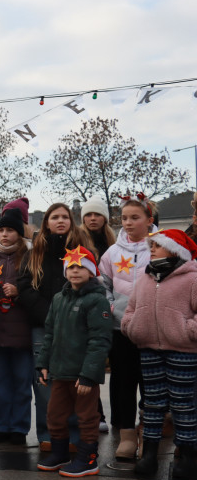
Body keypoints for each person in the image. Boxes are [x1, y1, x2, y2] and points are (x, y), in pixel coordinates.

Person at [18, 202, 95, 450]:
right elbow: (24, 286)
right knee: (44, 383)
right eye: (54, 217)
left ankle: (73, 436)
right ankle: (48, 435)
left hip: (76, 325)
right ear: (47, 222)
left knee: (72, 381)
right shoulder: (34, 253)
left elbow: (90, 283)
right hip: (42, 325)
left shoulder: (82, 251)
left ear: (71, 222)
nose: (60, 221)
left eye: (64, 217)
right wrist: (50, 314)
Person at [122, 229, 197, 480]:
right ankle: (149, 456)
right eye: (150, 244)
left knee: (183, 404)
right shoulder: (145, 278)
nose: (151, 248)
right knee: (152, 404)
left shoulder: (191, 278)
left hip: (183, 351)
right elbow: (130, 309)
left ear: (176, 249)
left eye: (157, 244)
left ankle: (188, 459)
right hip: (149, 349)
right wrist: (132, 327)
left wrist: (187, 330)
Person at [36, 246, 113, 477]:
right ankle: (60, 454)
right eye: (71, 267)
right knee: (55, 416)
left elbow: (100, 340)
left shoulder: (96, 301)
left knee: (87, 418)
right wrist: (43, 364)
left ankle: (88, 459)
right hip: (59, 373)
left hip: (83, 376)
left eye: (81, 266)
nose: (75, 271)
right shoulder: (59, 299)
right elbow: (48, 334)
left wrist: (89, 374)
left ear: (91, 272)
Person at [99, 195, 156, 461]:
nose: (129, 223)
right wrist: (113, 310)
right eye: (124, 218)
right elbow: (103, 288)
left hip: (153, 330)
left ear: (149, 220)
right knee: (123, 381)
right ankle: (126, 435)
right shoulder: (111, 253)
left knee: (151, 383)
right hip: (120, 329)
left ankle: (148, 433)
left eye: (135, 217)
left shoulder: (161, 248)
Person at [0, 208, 34, 446]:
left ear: (19, 233)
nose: (4, 234)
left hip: (22, 331)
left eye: (9, 230)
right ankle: (1, 426)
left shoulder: (30, 256)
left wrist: (20, 292)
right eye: (1, 230)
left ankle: (19, 429)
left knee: (22, 382)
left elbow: (37, 289)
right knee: (0, 383)